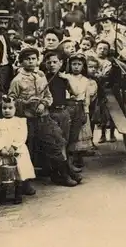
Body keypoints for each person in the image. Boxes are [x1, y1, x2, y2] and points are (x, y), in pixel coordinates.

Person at [8, 47, 82, 190]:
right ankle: (25, 184)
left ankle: (64, 174)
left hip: (44, 117)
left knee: (55, 144)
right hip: (27, 121)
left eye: (33, 59)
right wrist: (26, 103)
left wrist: (43, 103)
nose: (31, 62)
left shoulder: (41, 76)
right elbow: (11, 101)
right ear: (21, 61)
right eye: (27, 59)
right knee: (27, 150)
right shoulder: (17, 81)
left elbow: (48, 96)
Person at [0, 95, 35, 206]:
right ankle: (1, 195)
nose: (7, 111)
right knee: (1, 174)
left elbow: (22, 136)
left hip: (17, 152)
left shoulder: (21, 122)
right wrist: (1, 148)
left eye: (10, 108)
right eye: (4, 108)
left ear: (15, 109)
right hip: (2, 153)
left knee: (18, 173)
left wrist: (14, 147)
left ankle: (18, 194)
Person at [43, 50, 78, 186]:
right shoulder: (43, 78)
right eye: (49, 62)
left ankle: (65, 171)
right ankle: (62, 174)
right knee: (56, 143)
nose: (52, 65)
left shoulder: (64, 78)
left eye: (55, 62)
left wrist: (68, 79)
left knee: (64, 142)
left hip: (63, 112)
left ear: (61, 63)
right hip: (50, 113)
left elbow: (75, 93)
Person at [59, 53, 91, 172]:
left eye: (79, 64)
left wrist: (86, 112)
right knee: (65, 133)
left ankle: (72, 160)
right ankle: (65, 160)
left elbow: (83, 95)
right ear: (69, 65)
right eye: (74, 64)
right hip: (68, 106)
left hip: (79, 106)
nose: (76, 67)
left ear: (83, 66)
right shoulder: (66, 76)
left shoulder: (85, 80)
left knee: (75, 134)